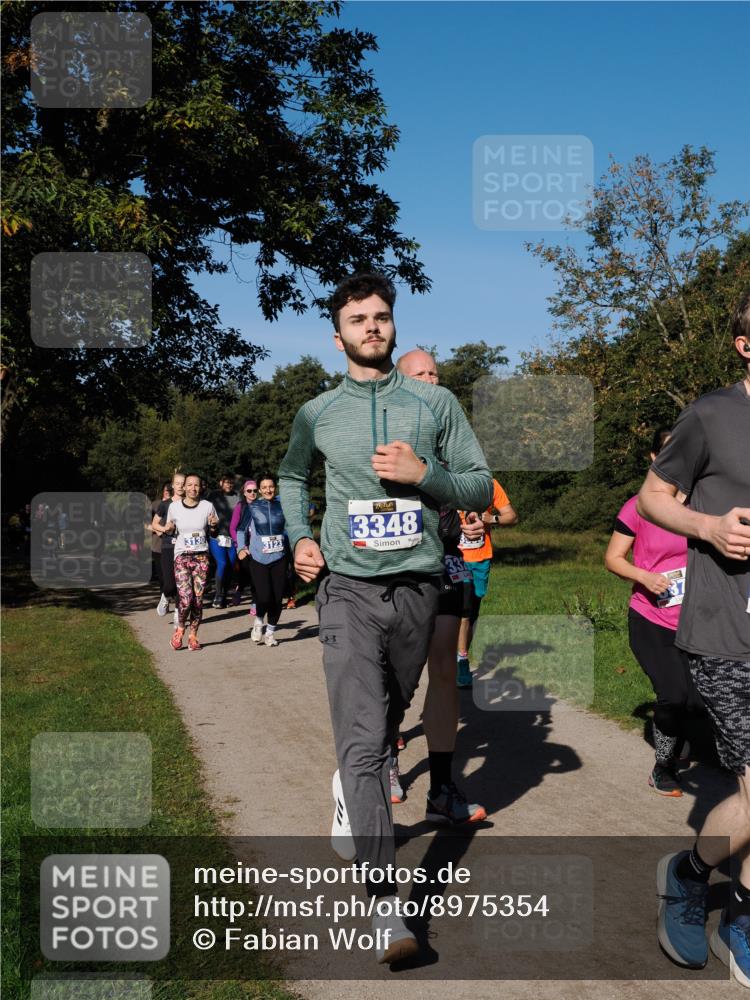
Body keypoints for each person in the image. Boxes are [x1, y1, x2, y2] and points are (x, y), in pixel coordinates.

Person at [279, 272, 492, 964]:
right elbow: (290, 476)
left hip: (417, 590)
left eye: (380, 317)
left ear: (393, 325)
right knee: (366, 740)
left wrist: (423, 474)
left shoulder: (436, 404)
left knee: (385, 725)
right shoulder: (317, 411)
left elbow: (479, 484)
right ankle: (385, 908)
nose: (370, 327)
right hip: (345, 589)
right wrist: (299, 537)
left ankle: (355, 782)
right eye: (357, 319)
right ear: (335, 334)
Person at [638, 290, 750, 984]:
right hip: (726, 631)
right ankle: (728, 908)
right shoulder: (712, 415)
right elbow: (654, 496)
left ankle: (694, 871)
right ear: (746, 343)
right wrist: (708, 528)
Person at [392, 348, 487, 823]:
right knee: (394, 673)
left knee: (443, 669)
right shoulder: (386, 430)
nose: (432, 379)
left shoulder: (453, 434)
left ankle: (442, 789)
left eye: (436, 372)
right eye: (421, 373)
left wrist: (469, 524)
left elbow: (477, 487)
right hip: (393, 565)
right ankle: (386, 757)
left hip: (447, 560)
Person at [605, 430, 702, 796]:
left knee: (696, 698)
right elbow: (612, 559)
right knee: (673, 694)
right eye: (668, 451)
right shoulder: (638, 507)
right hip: (651, 617)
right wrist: (644, 576)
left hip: (697, 619)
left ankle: (680, 738)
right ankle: (662, 767)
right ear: (654, 457)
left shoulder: (704, 506)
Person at [456, 478, 518, 687]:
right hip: (455, 559)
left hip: (481, 559)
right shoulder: (446, 481)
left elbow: (511, 516)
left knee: (472, 613)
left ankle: (460, 654)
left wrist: (490, 518)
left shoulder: (490, 485)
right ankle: (461, 661)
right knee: (462, 612)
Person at [164, 473, 219, 651]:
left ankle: (193, 636)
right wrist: (169, 529)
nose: (193, 488)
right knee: (186, 598)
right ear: (184, 487)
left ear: (200, 487)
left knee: (198, 599)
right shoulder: (174, 507)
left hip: (201, 556)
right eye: (189, 485)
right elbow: (170, 531)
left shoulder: (207, 506)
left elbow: (214, 534)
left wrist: (213, 526)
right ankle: (180, 629)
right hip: (182, 556)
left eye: (196, 485)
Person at [237, 474, 289, 647]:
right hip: (259, 558)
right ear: (259, 489)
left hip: (279, 557)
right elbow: (240, 530)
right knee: (264, 596)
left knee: (277, 598)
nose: (268, 490)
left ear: (275, 487)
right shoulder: (252, 507)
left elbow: (291, 526)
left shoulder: (282, 505)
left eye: (271, 486)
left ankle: (270, 633)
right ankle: (259, 620)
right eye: (264, 487)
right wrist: (241, 548)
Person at [151, 472, 186, 626]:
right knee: (170, 584)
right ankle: (165, 597)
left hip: (185, 548)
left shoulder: (190, 503)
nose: (180, 486)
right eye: (177, 483)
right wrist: (165, 528)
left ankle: (178, 612)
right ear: (173, 485)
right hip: (168, 546)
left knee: (182, 583)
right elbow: (154, 524)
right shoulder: (165, 505)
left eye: (182, 483)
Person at [208, 473, 240, 608]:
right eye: (226, 482)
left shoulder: (237, 496)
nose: (229, 484)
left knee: (230, 566)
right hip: (217, 536)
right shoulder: (213, 496)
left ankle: (224, 595)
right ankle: (218, 595)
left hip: (232, 538)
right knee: (222, 563)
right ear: (221, 483)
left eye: (231, 482)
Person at [230, 480, 258, 614]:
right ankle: (239, 589)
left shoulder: (261, 505)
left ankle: (254, 602)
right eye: (249, 491)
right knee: (244, 573)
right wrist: (240, 546)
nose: (252, 493)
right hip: (243, 546)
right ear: (244, 493)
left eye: (255, 491)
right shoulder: (241, 506)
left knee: (255, 575)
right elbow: (233, 528)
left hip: (257, 546)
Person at [150, 481, 172, 616]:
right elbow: (146, 522)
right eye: (165, 490)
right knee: (163, 576)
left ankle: (171, 597)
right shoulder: (156, 504)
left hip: (172, 545)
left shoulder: (177, 504)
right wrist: (157, 529)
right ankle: (164, 598)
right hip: (158, 545)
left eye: (169, 490)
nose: (167, 492)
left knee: (172, 575)